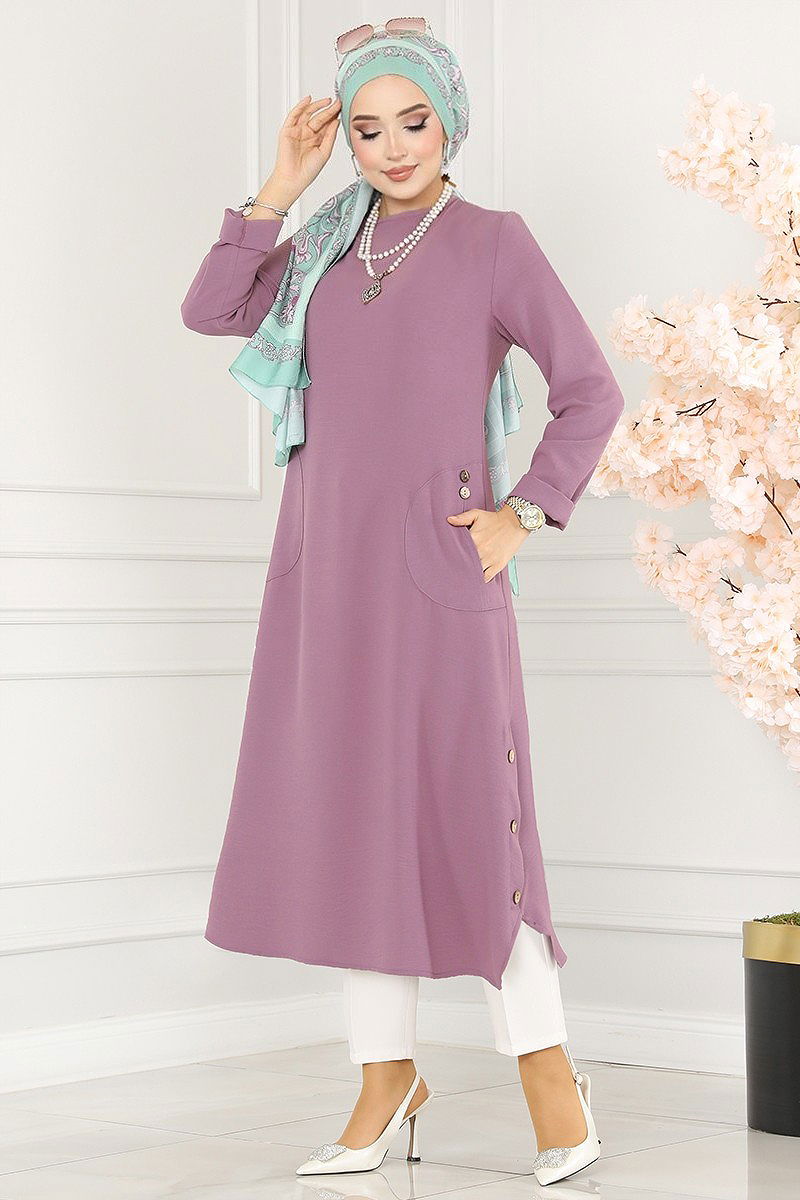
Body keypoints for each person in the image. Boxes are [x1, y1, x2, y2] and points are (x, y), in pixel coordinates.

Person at [180, 20, 623, 1187]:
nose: (389, 148)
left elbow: (589, 391)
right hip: (324, 573)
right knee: (350, 823)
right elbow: (211, 308)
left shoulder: (492, 243)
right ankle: (384, 1079)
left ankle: (547, 1073)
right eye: (366, 130)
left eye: (411, 122)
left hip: (442, 572)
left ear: (449, 122)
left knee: (477, 813)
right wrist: (281, 184)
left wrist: (523, 513)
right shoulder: (324, 243)